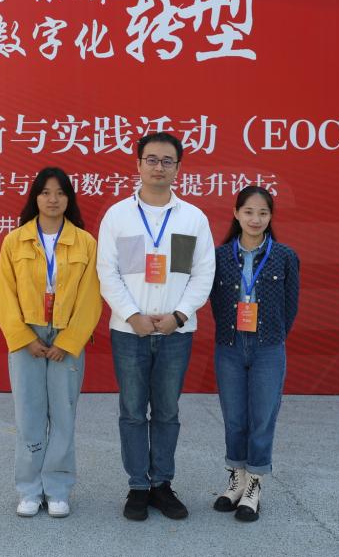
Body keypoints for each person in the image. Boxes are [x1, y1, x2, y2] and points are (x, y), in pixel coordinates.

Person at [96, 132, 216, 521]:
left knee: (166, 411)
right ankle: (137, 485)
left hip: (175, 333)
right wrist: (132, 315)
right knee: (132, 411)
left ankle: (162, 483)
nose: (158, 167)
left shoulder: (192, 218)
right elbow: (107, 272)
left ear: (178, 168)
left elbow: (203, 273)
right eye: (151, 159)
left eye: (167, 161)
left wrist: (178, 316)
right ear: (138, 164)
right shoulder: (118, 216)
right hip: (128, 332)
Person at [0, 166, 102, 518]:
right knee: (28, 414)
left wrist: (68, 342)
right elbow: (4, 296)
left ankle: (57, 490)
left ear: (69, 198)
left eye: (60, 192)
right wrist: (24, 338)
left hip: (66, 339)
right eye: (45, 192)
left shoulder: (85, 242)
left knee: (64, 415)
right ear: (35, 198)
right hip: (27, 337)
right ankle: (29, 490)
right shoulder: (15, 241)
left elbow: (91, 297)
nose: (52, 199)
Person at [208, 186, 299, 522]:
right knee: (234, 417)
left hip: (268, 347)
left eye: (263, 213)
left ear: (270, 216)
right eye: (248, 212)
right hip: (229, 346)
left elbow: (291, 306)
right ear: (236, 213)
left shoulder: (285, 256)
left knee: (262, 417)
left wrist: (272, 336)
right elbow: (213, 300)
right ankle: (236, 478)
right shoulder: (220, 256)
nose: (255, 219)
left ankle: (254, 485)